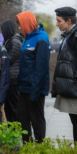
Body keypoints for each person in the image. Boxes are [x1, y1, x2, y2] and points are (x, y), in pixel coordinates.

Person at [52, 7, 77, 146]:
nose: (57, 24)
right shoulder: (70, 34)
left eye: (59, 21)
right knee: (76, 120)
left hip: (75, 85)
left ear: (69, 20)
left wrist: (76, 79)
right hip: (71, 85)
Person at [16, 11, 50, 143]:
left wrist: (35, 91)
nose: (19, 28)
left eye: (20, 24)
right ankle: (27, 146)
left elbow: (41, 68)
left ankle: (40, 148)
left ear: (27, 23)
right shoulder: (27, 38)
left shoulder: (41, 38)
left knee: (36, 119)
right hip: (24, 87)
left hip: (35, 88)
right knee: (23, 118)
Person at [1, 19, 23, 122]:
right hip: (9, 78)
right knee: (8, 107)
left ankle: (16, 129)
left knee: (14, 107)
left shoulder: (15, 41)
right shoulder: (9, 41)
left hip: (14, 79)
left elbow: (9, 59)